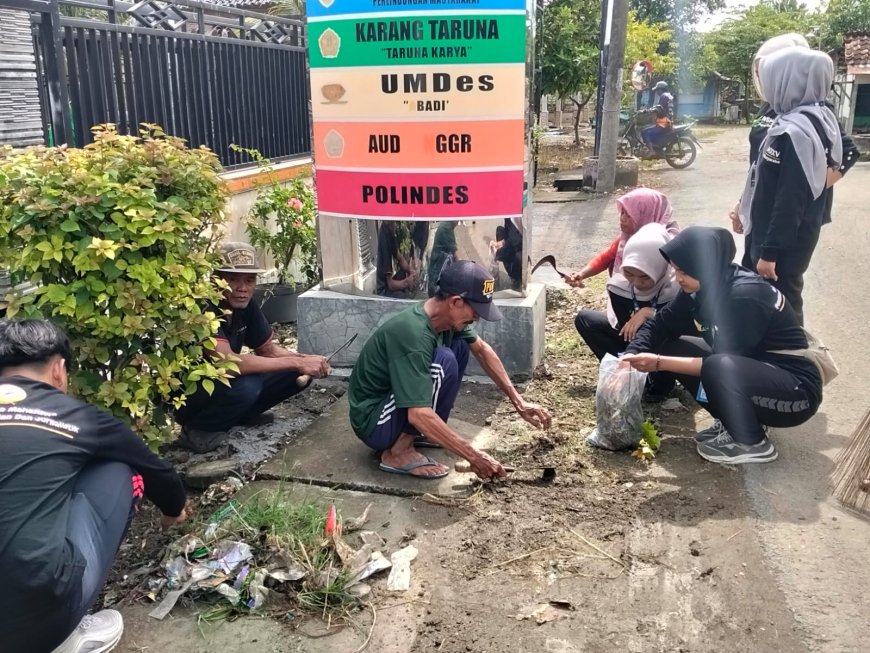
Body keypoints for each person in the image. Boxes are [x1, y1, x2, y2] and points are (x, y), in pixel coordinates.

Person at [0, 319, 189, 652]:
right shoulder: (77, 417)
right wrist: (174, 509)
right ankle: (70, 632)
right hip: (31, 625)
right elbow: (155, 470)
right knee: (119, 470)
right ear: (58, 370)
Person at [621, 227, 823, 465]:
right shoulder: (701, 288)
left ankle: (753, 442)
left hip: (797, 391)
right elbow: (660, 325)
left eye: (685, 271)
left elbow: (723, 365)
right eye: (676, 270)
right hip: (759, 371)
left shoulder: (743, 296)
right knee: (671, 345)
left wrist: (657, 363)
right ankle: (734, 422)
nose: (678, 278)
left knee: (717, 366)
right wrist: (629, 357)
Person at [348, 260, 552, 479]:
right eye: (476, 311)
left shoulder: (444, 321)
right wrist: (474, 456)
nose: (478, 317)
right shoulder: (413, 334)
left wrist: (518, 402)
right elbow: (417, 414)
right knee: (443, 360)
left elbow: (482, 351)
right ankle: (399, 453)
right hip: (373, 421)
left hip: (392, 408)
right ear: (455, 302)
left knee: (460, 347)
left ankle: (420, 433)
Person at [734, 44, 857, 323]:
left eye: (772, 78)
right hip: (772, 230)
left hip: (780, 240)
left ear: (790, 81)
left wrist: (770, 253)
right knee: (765, 299)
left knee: (782, 303)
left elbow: (790, 200)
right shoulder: (797, 119)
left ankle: (795, 360)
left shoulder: (798, 132)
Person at [174, 242, 330, 453]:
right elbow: (227, 363)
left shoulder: (246, 305)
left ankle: (241, 415)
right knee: (248, 385)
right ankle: (197, 431)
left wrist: (307, 361)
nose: (243, 288)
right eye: (233, 279)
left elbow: (268, 350)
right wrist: (298, 361)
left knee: (294, 374)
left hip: (221, 387)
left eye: (249, 280)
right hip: (189, 398)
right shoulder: (202, 309)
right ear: (215, 279)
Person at [575, 224, 681, 398]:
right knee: (586, 319)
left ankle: (660, 382)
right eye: (629, 274)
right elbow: (627, 331)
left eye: (645, 276)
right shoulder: (619, 288)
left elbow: (678, 326)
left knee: (671, 338)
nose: (637, 283)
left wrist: (649, 313)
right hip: (635, 342)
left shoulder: (676, 287)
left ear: (661, 266)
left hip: (663, 347)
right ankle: (628, 375)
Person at [565, 187, 678, 288]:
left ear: (647, 214)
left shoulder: (668, 245)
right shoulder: (627, 238)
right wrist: (581, 274)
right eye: (622, 212)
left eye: (629, 215)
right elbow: (605, 257)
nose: (622, 218)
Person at [376, 221, 418, 298]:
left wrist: (411, 271)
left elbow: (400, 258)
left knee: (402, 273)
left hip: (389, 286)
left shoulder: (390, 233)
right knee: (404, 297)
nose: (396, 225)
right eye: (394, 223)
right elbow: (390, 285)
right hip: (384, 291)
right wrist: (407, 282)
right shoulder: (384, 241)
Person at [427, 221, 459, 297]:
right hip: (438, 268)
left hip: (439, 266)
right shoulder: (446, 227)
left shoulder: (447, 226)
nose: (458, 222)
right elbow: (455, 254)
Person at [641, 81, 674, 152]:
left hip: (664, 124)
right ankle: (656, 148)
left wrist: (649, 110)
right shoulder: (668, 95)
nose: (656, 92)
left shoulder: (664, 96)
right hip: (667, 122)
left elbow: (659, 108)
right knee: (649, 129)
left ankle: (651, 151)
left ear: (661, 89)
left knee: (645, 132)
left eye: (657, 90)